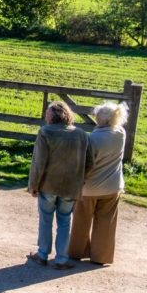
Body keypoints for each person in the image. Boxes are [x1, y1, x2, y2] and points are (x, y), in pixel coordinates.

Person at [27, 99, 91, 269]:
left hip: (48, 185)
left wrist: (33, 185)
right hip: (70, 187)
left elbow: (39, 162)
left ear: (52, 116)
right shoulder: (81, 134)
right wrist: (81, 179)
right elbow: (89, 162)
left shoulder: (46, 132)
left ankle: (42, 254)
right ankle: (61, 258)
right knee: (64, 221)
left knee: (46, 219)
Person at [68, 103, 128, 266]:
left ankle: (76, 252)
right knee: (106, 222)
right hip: (113, 186)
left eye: (97, 115)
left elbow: (84, 163)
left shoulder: (92, 139)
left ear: (102, 119)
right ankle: (101, 256)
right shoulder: (121, 134)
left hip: (90, 188)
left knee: (81, 220)